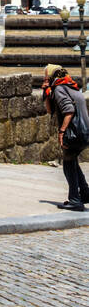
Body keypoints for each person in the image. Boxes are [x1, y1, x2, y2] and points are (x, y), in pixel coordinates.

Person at [43, 63, 89, 212]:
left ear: (51, 76)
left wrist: (62, 131)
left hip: (74, 133)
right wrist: (46, 92)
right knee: (72, 160)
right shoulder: (70, 86)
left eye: (46, 77)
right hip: (84, 131)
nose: (45, 79)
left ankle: (75, 200)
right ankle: (85, 193)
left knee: (68, 163)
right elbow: (50, 110)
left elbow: (69, 110)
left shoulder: (59, 89)